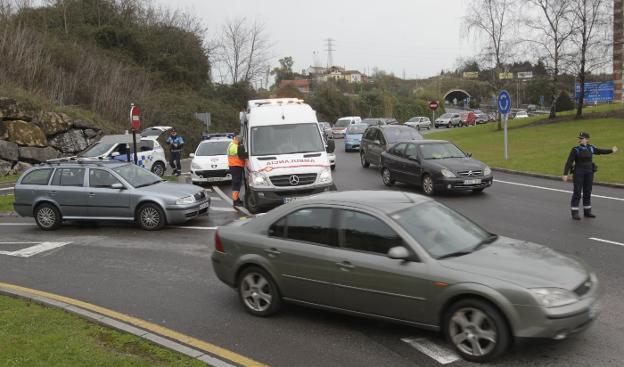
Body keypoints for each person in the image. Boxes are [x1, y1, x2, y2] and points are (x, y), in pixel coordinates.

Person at [563, 132, 618, 220]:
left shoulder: (591, 148)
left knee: (587, 192)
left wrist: (611, 150)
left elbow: (601, 151)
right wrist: (565, 174)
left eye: (582, 138)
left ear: (587, 140)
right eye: (580, 138)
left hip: (589, 172)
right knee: (577, 192)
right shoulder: (575, 149)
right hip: (578, 173)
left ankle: (587, 211)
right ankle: (575, 213)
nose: (580, 140)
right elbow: (569, 162)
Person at [227, 135, 247, 207]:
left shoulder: (232, 144)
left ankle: (236, 199)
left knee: (237, 183)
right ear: (239, 140)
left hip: (235, 166)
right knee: (236, 183)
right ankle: (235, 201)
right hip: (236, 166)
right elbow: (242, 155)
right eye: (241, 141)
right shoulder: (235, 147)